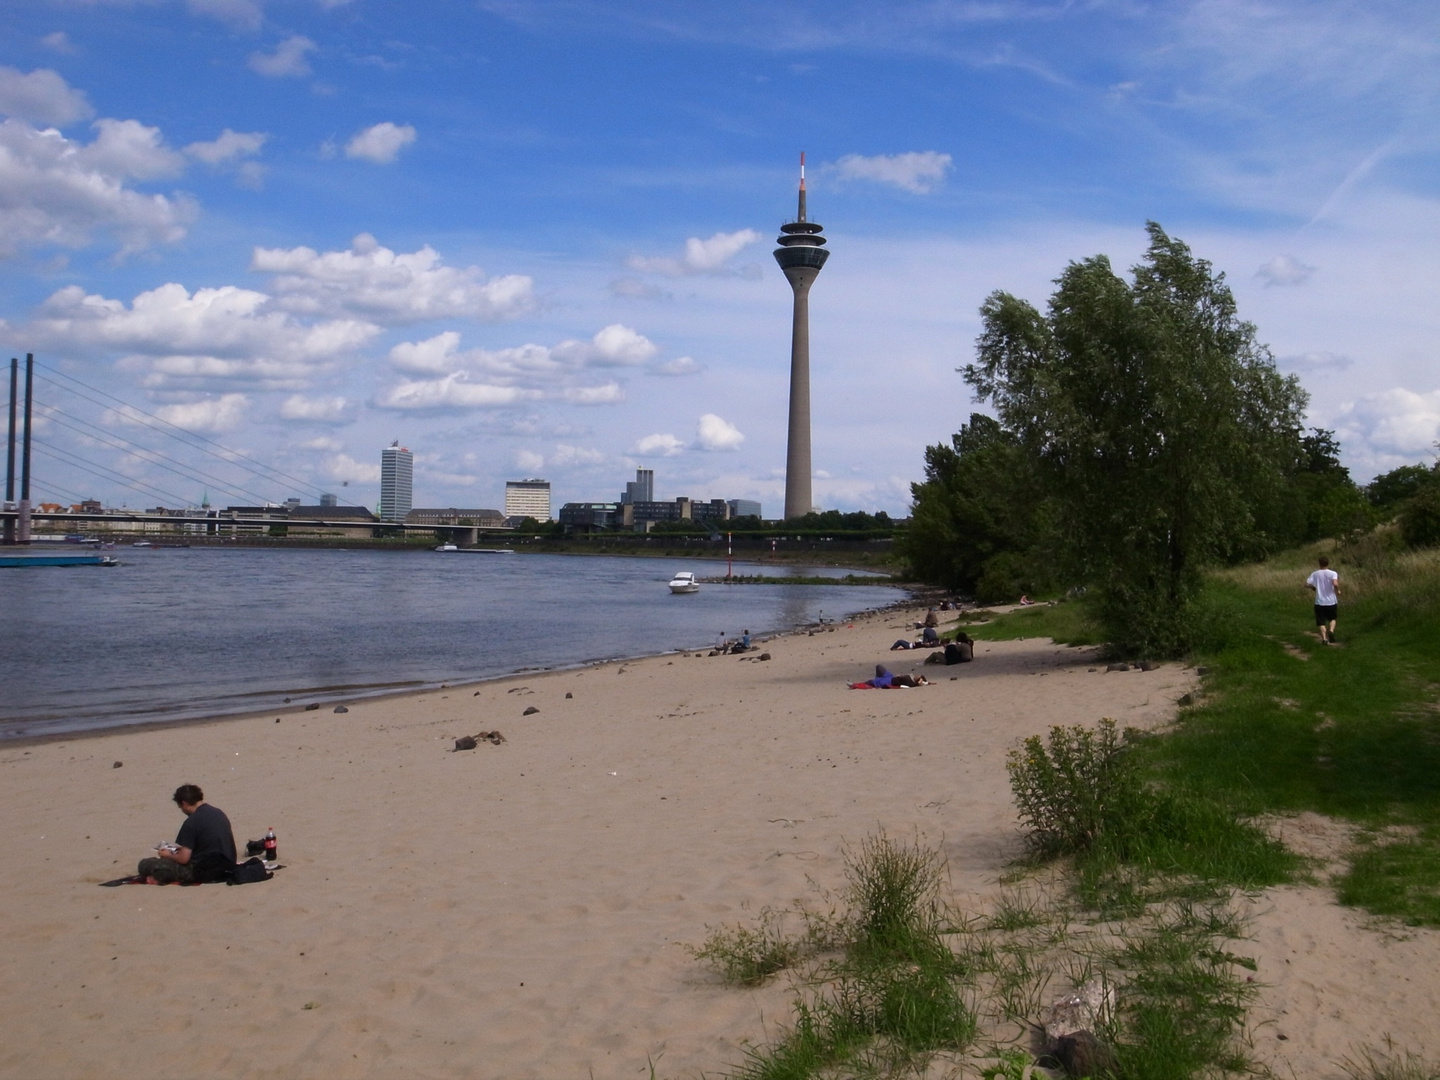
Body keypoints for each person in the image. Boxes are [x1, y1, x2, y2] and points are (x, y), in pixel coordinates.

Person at [137, 784, 237, 885]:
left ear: (184, 803)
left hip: (203, 870)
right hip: (229, 863)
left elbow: (183, 859)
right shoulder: (219, 813)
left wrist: (167, 855)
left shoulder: (191, 822)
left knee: (145, 864)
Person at [1305, 556, 1341, 645]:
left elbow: (1306, 584)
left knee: (1321, 622)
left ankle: (1324, 639)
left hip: (1319, 601)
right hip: (1331, 601)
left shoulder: (1315, 574)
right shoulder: (1333, 573)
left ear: (1319, 564)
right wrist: (1337, 590)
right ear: (1328, 563)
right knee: (1333, 618)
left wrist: (1313, 587)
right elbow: (1335, 583)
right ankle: (1331, 631)